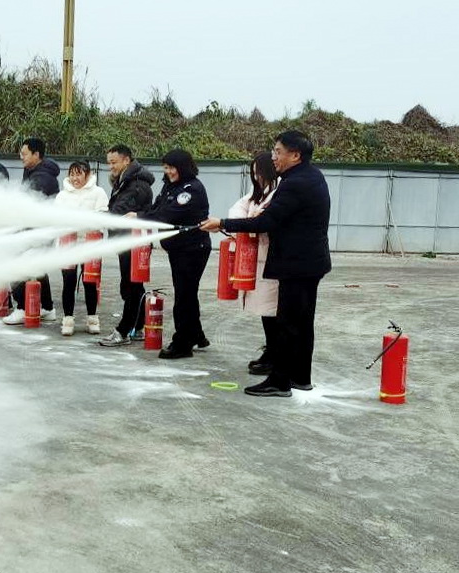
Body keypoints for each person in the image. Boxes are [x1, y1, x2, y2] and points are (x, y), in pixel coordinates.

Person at [201, 130, 330, 397]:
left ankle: (279, 382)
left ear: (295, 155)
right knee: (302, 323)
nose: (273, 157)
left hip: (296, 264)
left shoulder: (295, 183)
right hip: (309, 262)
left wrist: (222, 223)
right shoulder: (312, 176)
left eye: (278, 152)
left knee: (288, 323)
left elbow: (267, 222)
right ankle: (300, 377)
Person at [134, 149, 211, 359]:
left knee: (184, 295)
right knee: (187, 293)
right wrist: (139, 215)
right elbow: (156, 208)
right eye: (166, 168)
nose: (168, 171)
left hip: (192, 250)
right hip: (178, 249)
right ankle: (196, 335)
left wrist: (139, 217)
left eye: (171, 167)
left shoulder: (191, 190)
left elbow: (166, 215)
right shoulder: (171, 186)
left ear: (183, 167)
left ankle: (183, 344)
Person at [227, 152, 280, 374]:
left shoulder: (278, 191)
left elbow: (260, 220)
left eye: (260, 172)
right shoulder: (258, 192)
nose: (257, 177)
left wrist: (247, 222)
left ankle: (275, 356)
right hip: (256, 258)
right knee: (265, 311)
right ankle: (271, 350)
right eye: (254, 173)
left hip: (272, 258)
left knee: (273, 311)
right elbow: (238, 210)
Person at [99, 144, 155, 347]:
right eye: (109, 163)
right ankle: (138, 327)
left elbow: (119, 211)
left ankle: (123, 331)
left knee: (131, 287)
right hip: (127, 241)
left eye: (114, 162)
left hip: (134, 243)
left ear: (126, 160)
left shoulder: (137, 185)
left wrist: (98, 216)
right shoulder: (125, 181)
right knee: (133, 286)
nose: (110, 167)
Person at [2, 138, 60, 324]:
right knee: (38, 267)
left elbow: (27, 203)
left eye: (24, 153)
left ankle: (22, 307)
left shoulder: (43, 177)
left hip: (38, 230)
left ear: (36, 154)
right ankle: (47, 308)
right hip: (35, 229)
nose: (21, 157)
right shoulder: (32, 171)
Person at [54, 161, 109, 336]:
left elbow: (103, 215)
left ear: (88, 174)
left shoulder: (98, 192)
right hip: (68, 243)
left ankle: (92, 319)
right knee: (68, 282)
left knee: (90, 282)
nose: (75, 178)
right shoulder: (62, 195)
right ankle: (68, 320)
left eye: (79, 174)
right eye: (72, 174)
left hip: (90, 242)